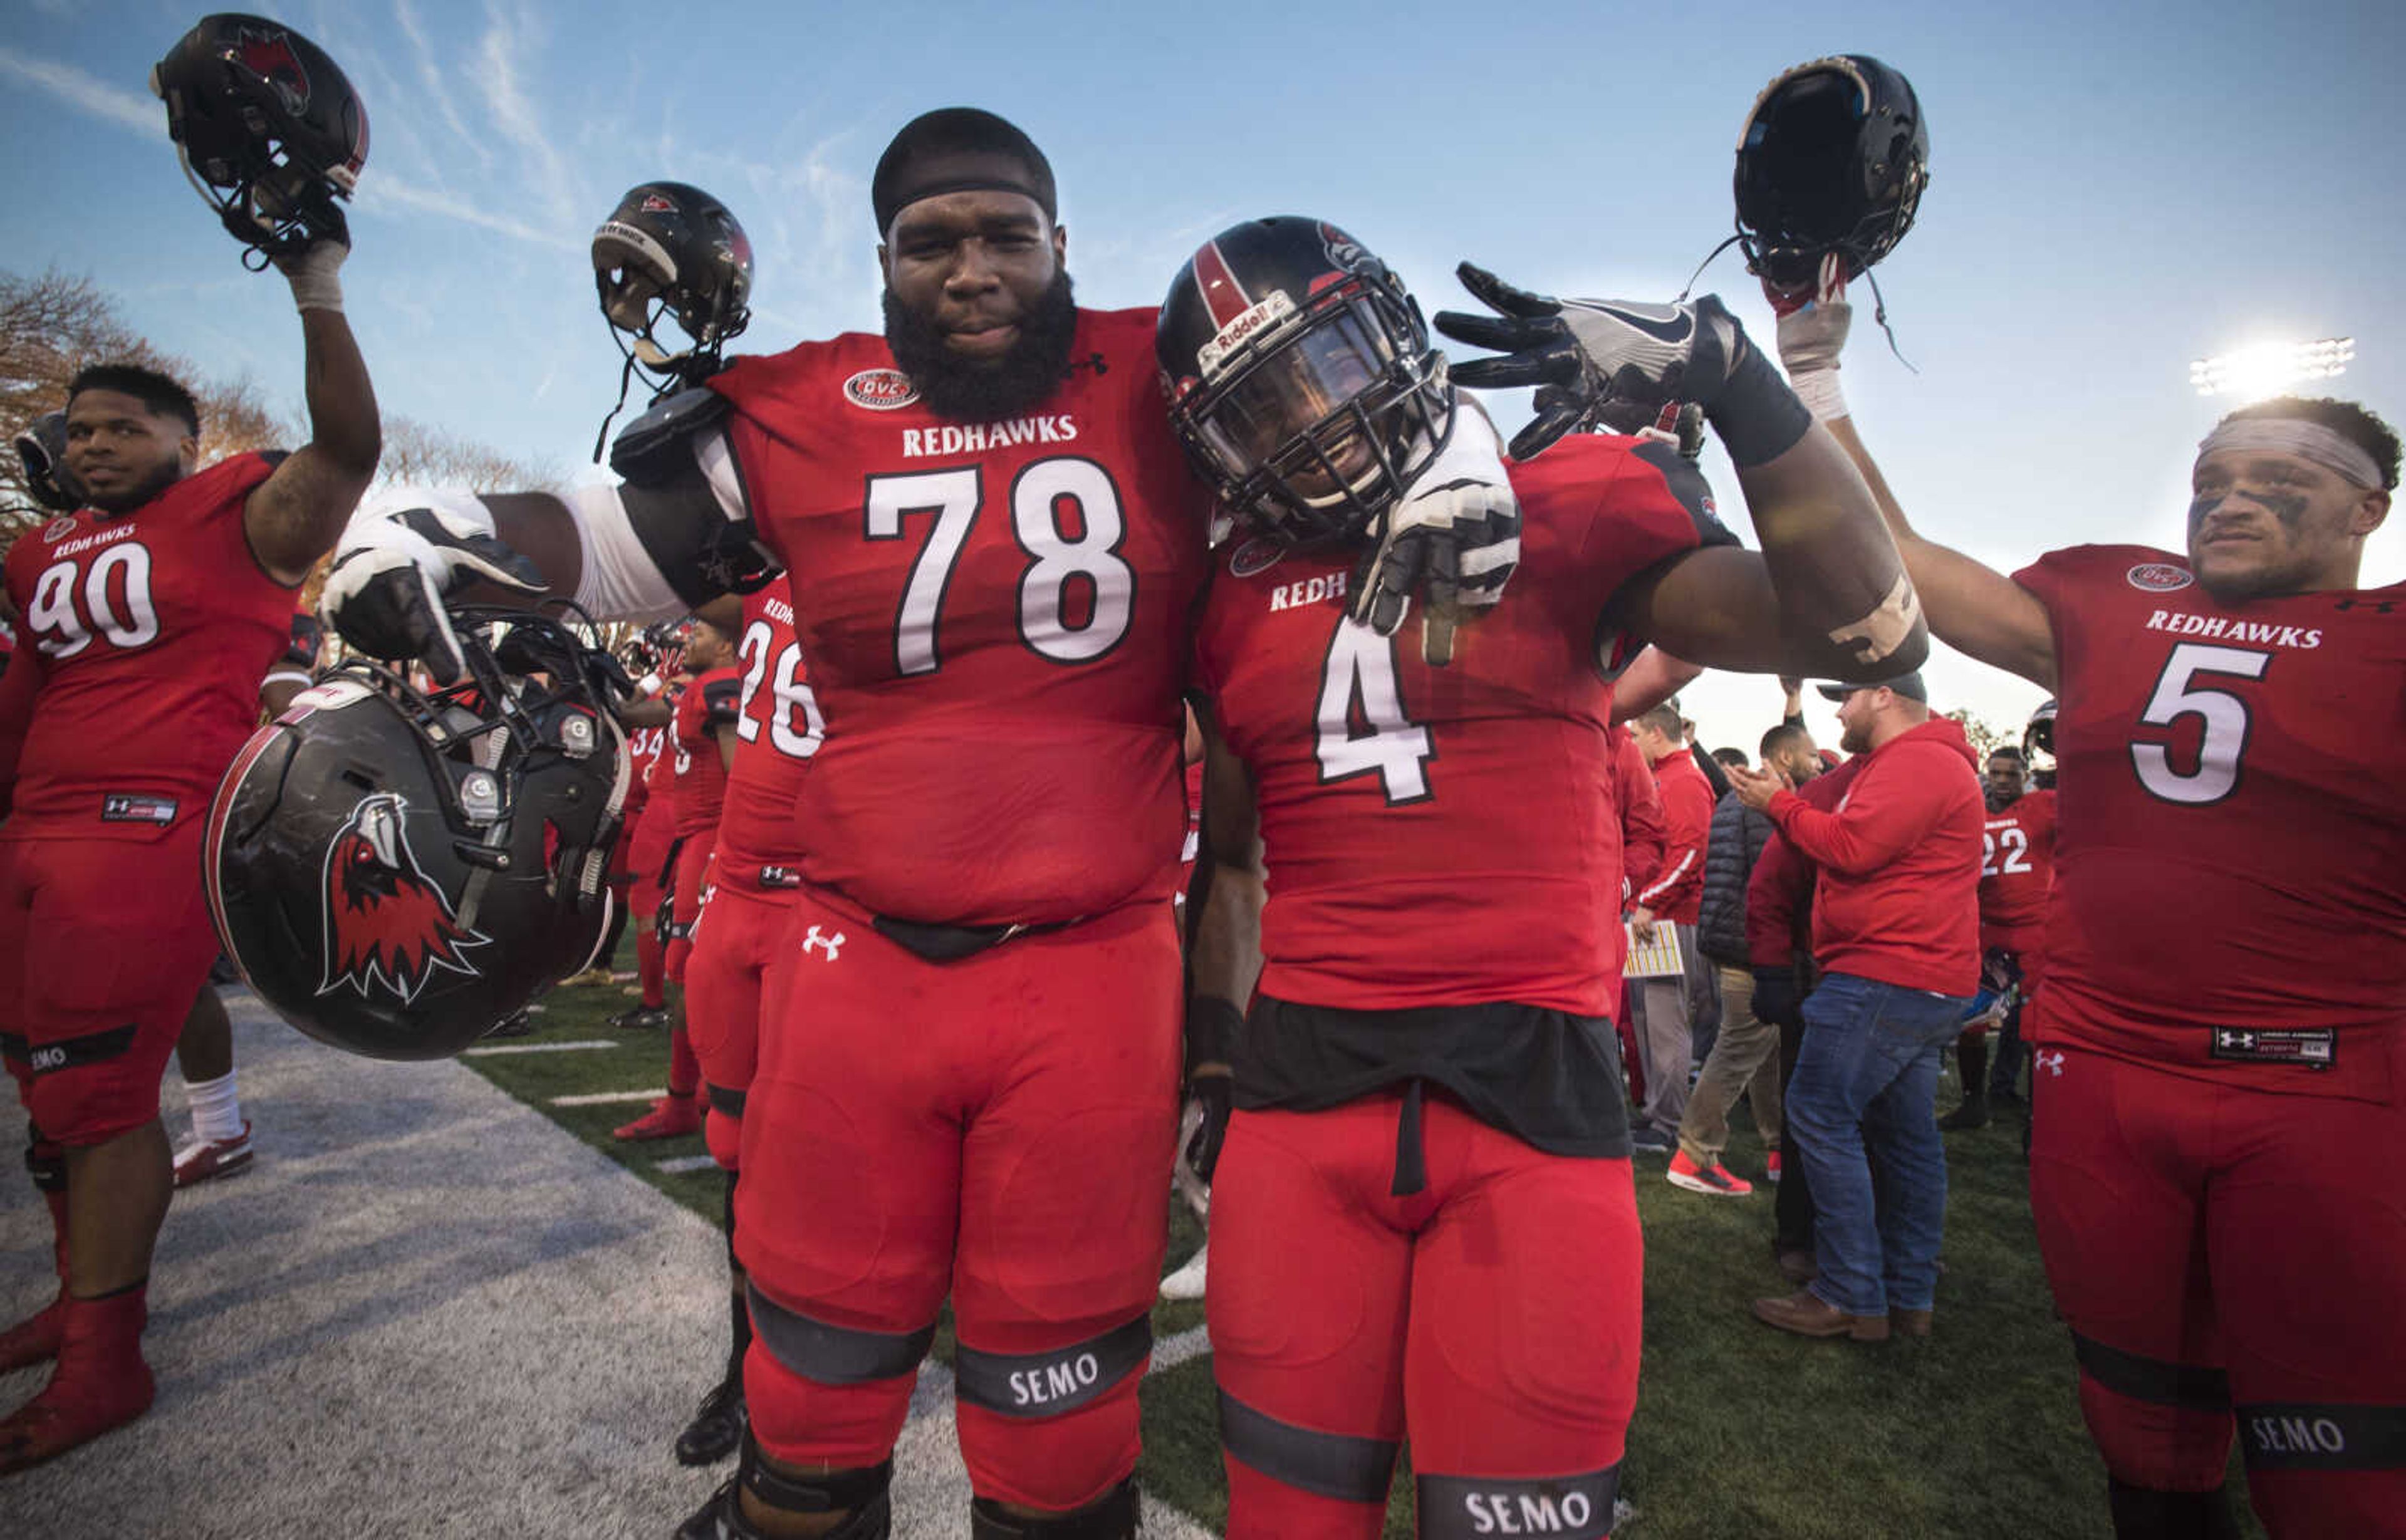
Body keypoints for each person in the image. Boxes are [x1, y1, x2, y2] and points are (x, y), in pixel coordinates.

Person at [324, 112, 1522, 1540]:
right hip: (856, 966)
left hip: (1087, 972)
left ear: (1059, 247)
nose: (972, 269)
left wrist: (1461, 444)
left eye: (1005, 235)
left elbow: (1351, 376)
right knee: (809, 1408)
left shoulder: (1159, 372)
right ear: (884, 260)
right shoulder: (807, 406)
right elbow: (601, 538)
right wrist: (431, 536)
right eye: (932, 241)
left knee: (1058, 1435)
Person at [1174, 215, 1928, 1536]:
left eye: (1325, 365)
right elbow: (1230, 862)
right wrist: (1217, 1062)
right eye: (1259, 408)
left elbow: (1862, 619)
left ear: (1395, 334)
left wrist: (1738, 379)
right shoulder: (1225, 590)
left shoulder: (1564, 496)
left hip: (1531, 1095)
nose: (1308, 423)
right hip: (1301, 1103)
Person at [1784, 261, 2404, 1536]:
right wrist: (1812, 372)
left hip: (2327, 1090)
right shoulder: (2121, 600)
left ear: (2369, 504)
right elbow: (1888, 561)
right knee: (2147, 1440)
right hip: (2108, 1071)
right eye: (2213, 480)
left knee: (2342, 1471)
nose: (2229, 502)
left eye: (2276, 482)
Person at [0, 226, 379, 1469]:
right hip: (35, 828)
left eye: (122, 425)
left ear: (184, 440)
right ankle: (78, 1293)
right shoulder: (38, 550)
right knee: (48, 1088)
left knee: (100, 1093)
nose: (94, 442)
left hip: (147, 830)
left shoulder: (234, 515)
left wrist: (316, 291)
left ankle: (110, 1352)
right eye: (82, 427)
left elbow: (346, 448)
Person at [1727, 671, 1982, 1341]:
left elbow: (1853, 847)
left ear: (1885, 695)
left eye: (1847, 695)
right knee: (1904, 1138)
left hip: (1884, 973)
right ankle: (1906, 1292)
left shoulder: (1919, 759)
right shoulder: (1913, 761)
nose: (1837, 710)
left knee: (1817, 1115)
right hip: (1913, 975)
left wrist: (1779, 806)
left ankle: (1849, 1291)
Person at [674, 581, 822, 1469]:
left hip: (828, 906)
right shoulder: (755, 585)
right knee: (735, 1153)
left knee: (824, 1161)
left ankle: (808, 1389)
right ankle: (744, 1369)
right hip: (737, 900)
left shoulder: (888, 547)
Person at [1672, 722, 1824, 1195]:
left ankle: (1777, 1146)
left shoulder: (1733, 799)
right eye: (1813, 757)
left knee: (1767, 1051)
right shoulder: (1764, 806)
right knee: (1740, 1048)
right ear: (1784, 760)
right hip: (1753, 947)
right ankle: (1694, 1154)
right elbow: (1775, 885)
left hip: (1728, 939)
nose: (1819, 765)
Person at [615, 620, 740, 1142]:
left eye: (702, 634)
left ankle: (687, 1099)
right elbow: (637, 713)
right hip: (695, 834)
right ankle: (702, 1090)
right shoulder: (701, 687)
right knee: (690, 967)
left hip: (712, 835)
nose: (690, 641)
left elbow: (741, 773)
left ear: (728, 644)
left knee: (692, 969)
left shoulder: (723, 683)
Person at [1942, 743, 2056, 1131]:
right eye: (1997, 773)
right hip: (1987, 931)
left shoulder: (2043, 806)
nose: (2004, 781)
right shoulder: (1970, 810)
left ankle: (2042, 1118)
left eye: (2011, 774)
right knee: (1971, 1021)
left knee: (2040, 1028)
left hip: (2037, 933)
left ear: (2025, 774)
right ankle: (1975, 1104)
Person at [1623, 702, 1715, 1151]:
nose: (1634, 746)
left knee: (1665, 1023)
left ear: (1657, 734)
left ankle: (1668, 1123)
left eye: (1637, 736)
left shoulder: (1685, 781)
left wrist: (1649, 901)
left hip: (1668, 919)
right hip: (1653, 916)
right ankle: (1655, 1114)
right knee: (1648, 1020)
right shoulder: (1669, 778)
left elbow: (1689, 853)